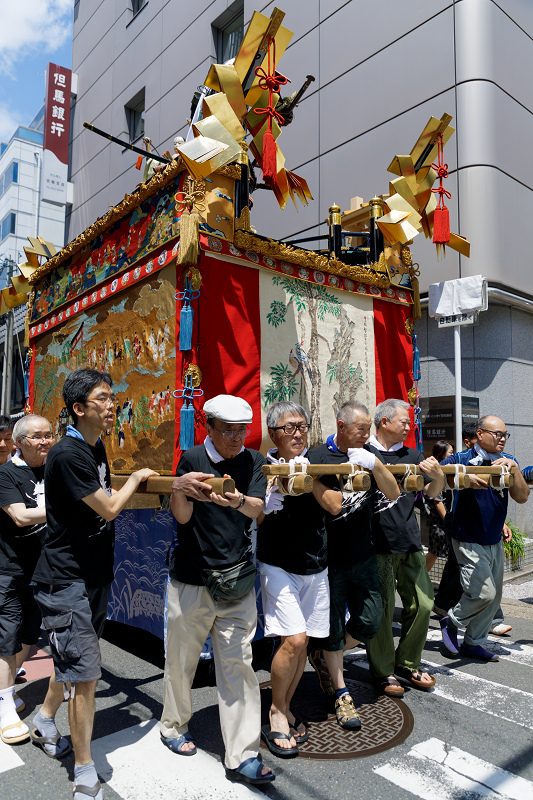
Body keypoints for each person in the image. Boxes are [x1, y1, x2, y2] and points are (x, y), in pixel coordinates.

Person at [32, 369, 158, 800]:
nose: (111, 405)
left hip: (93, 575)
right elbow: (107, 508)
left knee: (73, 661)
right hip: (65, 579)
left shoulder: (95, 445)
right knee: (86, 675)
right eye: (103, 398)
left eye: (112, 396)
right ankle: (84, 772)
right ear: (79, 408)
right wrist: (139, 479)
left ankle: (45, 718)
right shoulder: (67, 454)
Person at [161, 394, 275, 786]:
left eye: (241, 430)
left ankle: (242, 754)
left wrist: (238, 499)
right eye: (227, 430)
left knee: (239, 666)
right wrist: (179, 487)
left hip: (236, 581)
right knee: (181, 660)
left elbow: (258, 508)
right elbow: (182, 516)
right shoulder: (192, 459)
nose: (235, 438)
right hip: (191, 579)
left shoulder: (254, 461)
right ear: (207, 425)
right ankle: (173, 726)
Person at [257, 402, 342, 757]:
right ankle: (276, 711)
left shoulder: (321, 463)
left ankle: (287, 705)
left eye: (302, 426)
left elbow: (335, 505)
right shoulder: (261, 467)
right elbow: (256, 518)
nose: (297, 433)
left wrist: (312, 480)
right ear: (273, 434)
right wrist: (272, 494)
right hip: (277, 564)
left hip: (316, 565)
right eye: (289, 428)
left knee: (303, 643)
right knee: (293, 639)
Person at [308, 401, 401, 724]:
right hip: (329, 558)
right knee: (333, 627)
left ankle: (322, 653)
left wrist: (374, 463)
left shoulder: (368, 455)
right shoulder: (318, 456)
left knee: (372, 621)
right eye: (360, 429)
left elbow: (392, 493)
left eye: (367, 429)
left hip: (364, 554)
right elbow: (330, 506)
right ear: (341, 426)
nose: (365, 434)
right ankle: (341, 692)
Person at [365, 399, 445, 696]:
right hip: (376, 544)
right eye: (404, 421)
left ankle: (407, 662)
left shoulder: (413, 455)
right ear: (384, 422)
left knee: (423, 604)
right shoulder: (364, 453)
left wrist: (437, 477)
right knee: (383, 611)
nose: (409, 426)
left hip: (410, 541)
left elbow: (431, 494)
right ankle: (383, 671)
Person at [439, 415, 529, 661]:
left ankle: (474, 642)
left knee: (494, 597)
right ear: (480, 434)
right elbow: (438, 479)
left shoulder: (509, 461)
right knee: (483, 593)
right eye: (497, 434)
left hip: (494, 538)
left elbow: (521, 497)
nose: (502, 439)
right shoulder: (461, 458)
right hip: (467, 537)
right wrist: (465, 478)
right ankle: (451, 620)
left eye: (505, 435)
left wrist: (515, 470)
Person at [0, 415, 53, 745]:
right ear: (19, 442)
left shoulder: (54, 468)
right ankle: (5, 709)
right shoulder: (5, 473)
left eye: (49, 435)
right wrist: (65, 507)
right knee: (7, 636)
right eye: (37, 437)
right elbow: (20, 516)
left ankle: (2, 691)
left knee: (29, 638)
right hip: (8, 569)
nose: (45, 441)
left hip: (42, 570)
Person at [423, 440, 454, 573]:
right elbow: (438, 501)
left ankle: (420, 580)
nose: (453, 455)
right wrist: (448, 521)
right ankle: (420, 580)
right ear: (442, 454)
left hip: (440, 520)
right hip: (438, 521)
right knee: (436, 551)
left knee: (436, 551)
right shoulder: (437, 472)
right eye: (451, 452)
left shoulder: (444, 470)